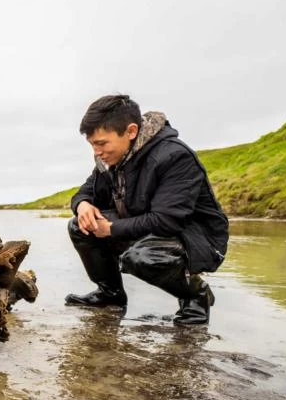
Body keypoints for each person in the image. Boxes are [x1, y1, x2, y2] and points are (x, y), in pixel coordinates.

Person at [65, 94, 229, 325]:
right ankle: (111, 294)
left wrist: (111, 228)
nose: (97, 152)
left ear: (131, 131)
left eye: (101, 143)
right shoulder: (110, 159)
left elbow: (166, 221)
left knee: (143, 258)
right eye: (92, 144)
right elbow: (85, 192)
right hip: (147, 226)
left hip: (195, 239)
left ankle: (195, 296)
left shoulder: (174, 156)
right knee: (79, 225)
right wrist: (82, 205)